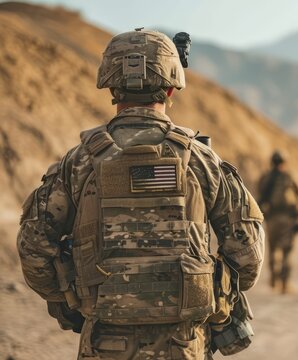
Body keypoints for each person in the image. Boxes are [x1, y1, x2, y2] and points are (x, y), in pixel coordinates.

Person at [17, 28, 264, 359]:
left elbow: (33, 249)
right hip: (184, 344)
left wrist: (74, 301)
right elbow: (248, 257)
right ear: (173, 86)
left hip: (103, 342)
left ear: (111, 84)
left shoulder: (79, 162)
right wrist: (212, 294)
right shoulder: (202, 160)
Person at [258, 151, 298, 294]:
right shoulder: (291, 176)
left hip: (272, 219)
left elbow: (259, 195)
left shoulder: (266, 177)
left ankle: (273, 279)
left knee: (273, 249)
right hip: (287, 219)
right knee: (287, 251)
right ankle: (284, 284)